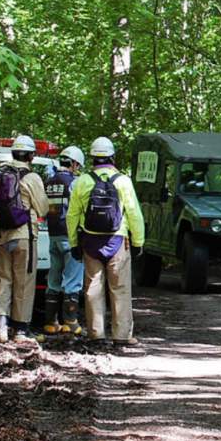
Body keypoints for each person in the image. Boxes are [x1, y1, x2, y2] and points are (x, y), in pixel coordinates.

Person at [66, 137, 144, 345]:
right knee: (120, 289)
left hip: (90, 242)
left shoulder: (82, 181)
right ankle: (122, 335)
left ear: (92, 157)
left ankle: (96, 334)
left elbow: (72, 215)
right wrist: (138, 242)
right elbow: (135, 214)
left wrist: (74, 243)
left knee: (93, 289)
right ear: (112, 156)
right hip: (118, 241)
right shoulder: (123, 181)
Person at [0, 135, 48, 343]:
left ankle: (1, 328)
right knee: (23, 282)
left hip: (2, 235)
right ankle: (21, 330)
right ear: (31, 155)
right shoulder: (31, 178)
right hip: (24, 236)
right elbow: (42, 208)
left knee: (3, 279)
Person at [43, 145, 86, 335]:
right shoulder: (75, 183)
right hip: (70, 236)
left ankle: (51, 322)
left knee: (53, 278)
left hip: (53, 236)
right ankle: (70, 322)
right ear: (75, 164)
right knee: (73, 280)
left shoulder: (50, 181)